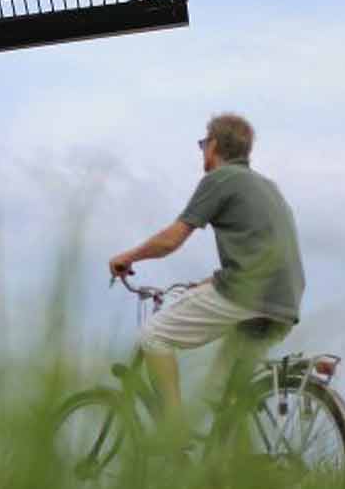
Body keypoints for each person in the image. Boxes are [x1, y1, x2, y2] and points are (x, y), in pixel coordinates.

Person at [108, 112, 306, 429]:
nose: (203, 150)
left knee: (153, 335)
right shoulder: (268, 188)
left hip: (247, 296)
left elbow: (172, 240)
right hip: (284, 302)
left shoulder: (220, 179)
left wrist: (127, 257)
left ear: (213, 145)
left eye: (203, 144)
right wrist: (210, 282)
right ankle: (220, 470)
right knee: (218, 395)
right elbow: (258, 249)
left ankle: (173, 430)